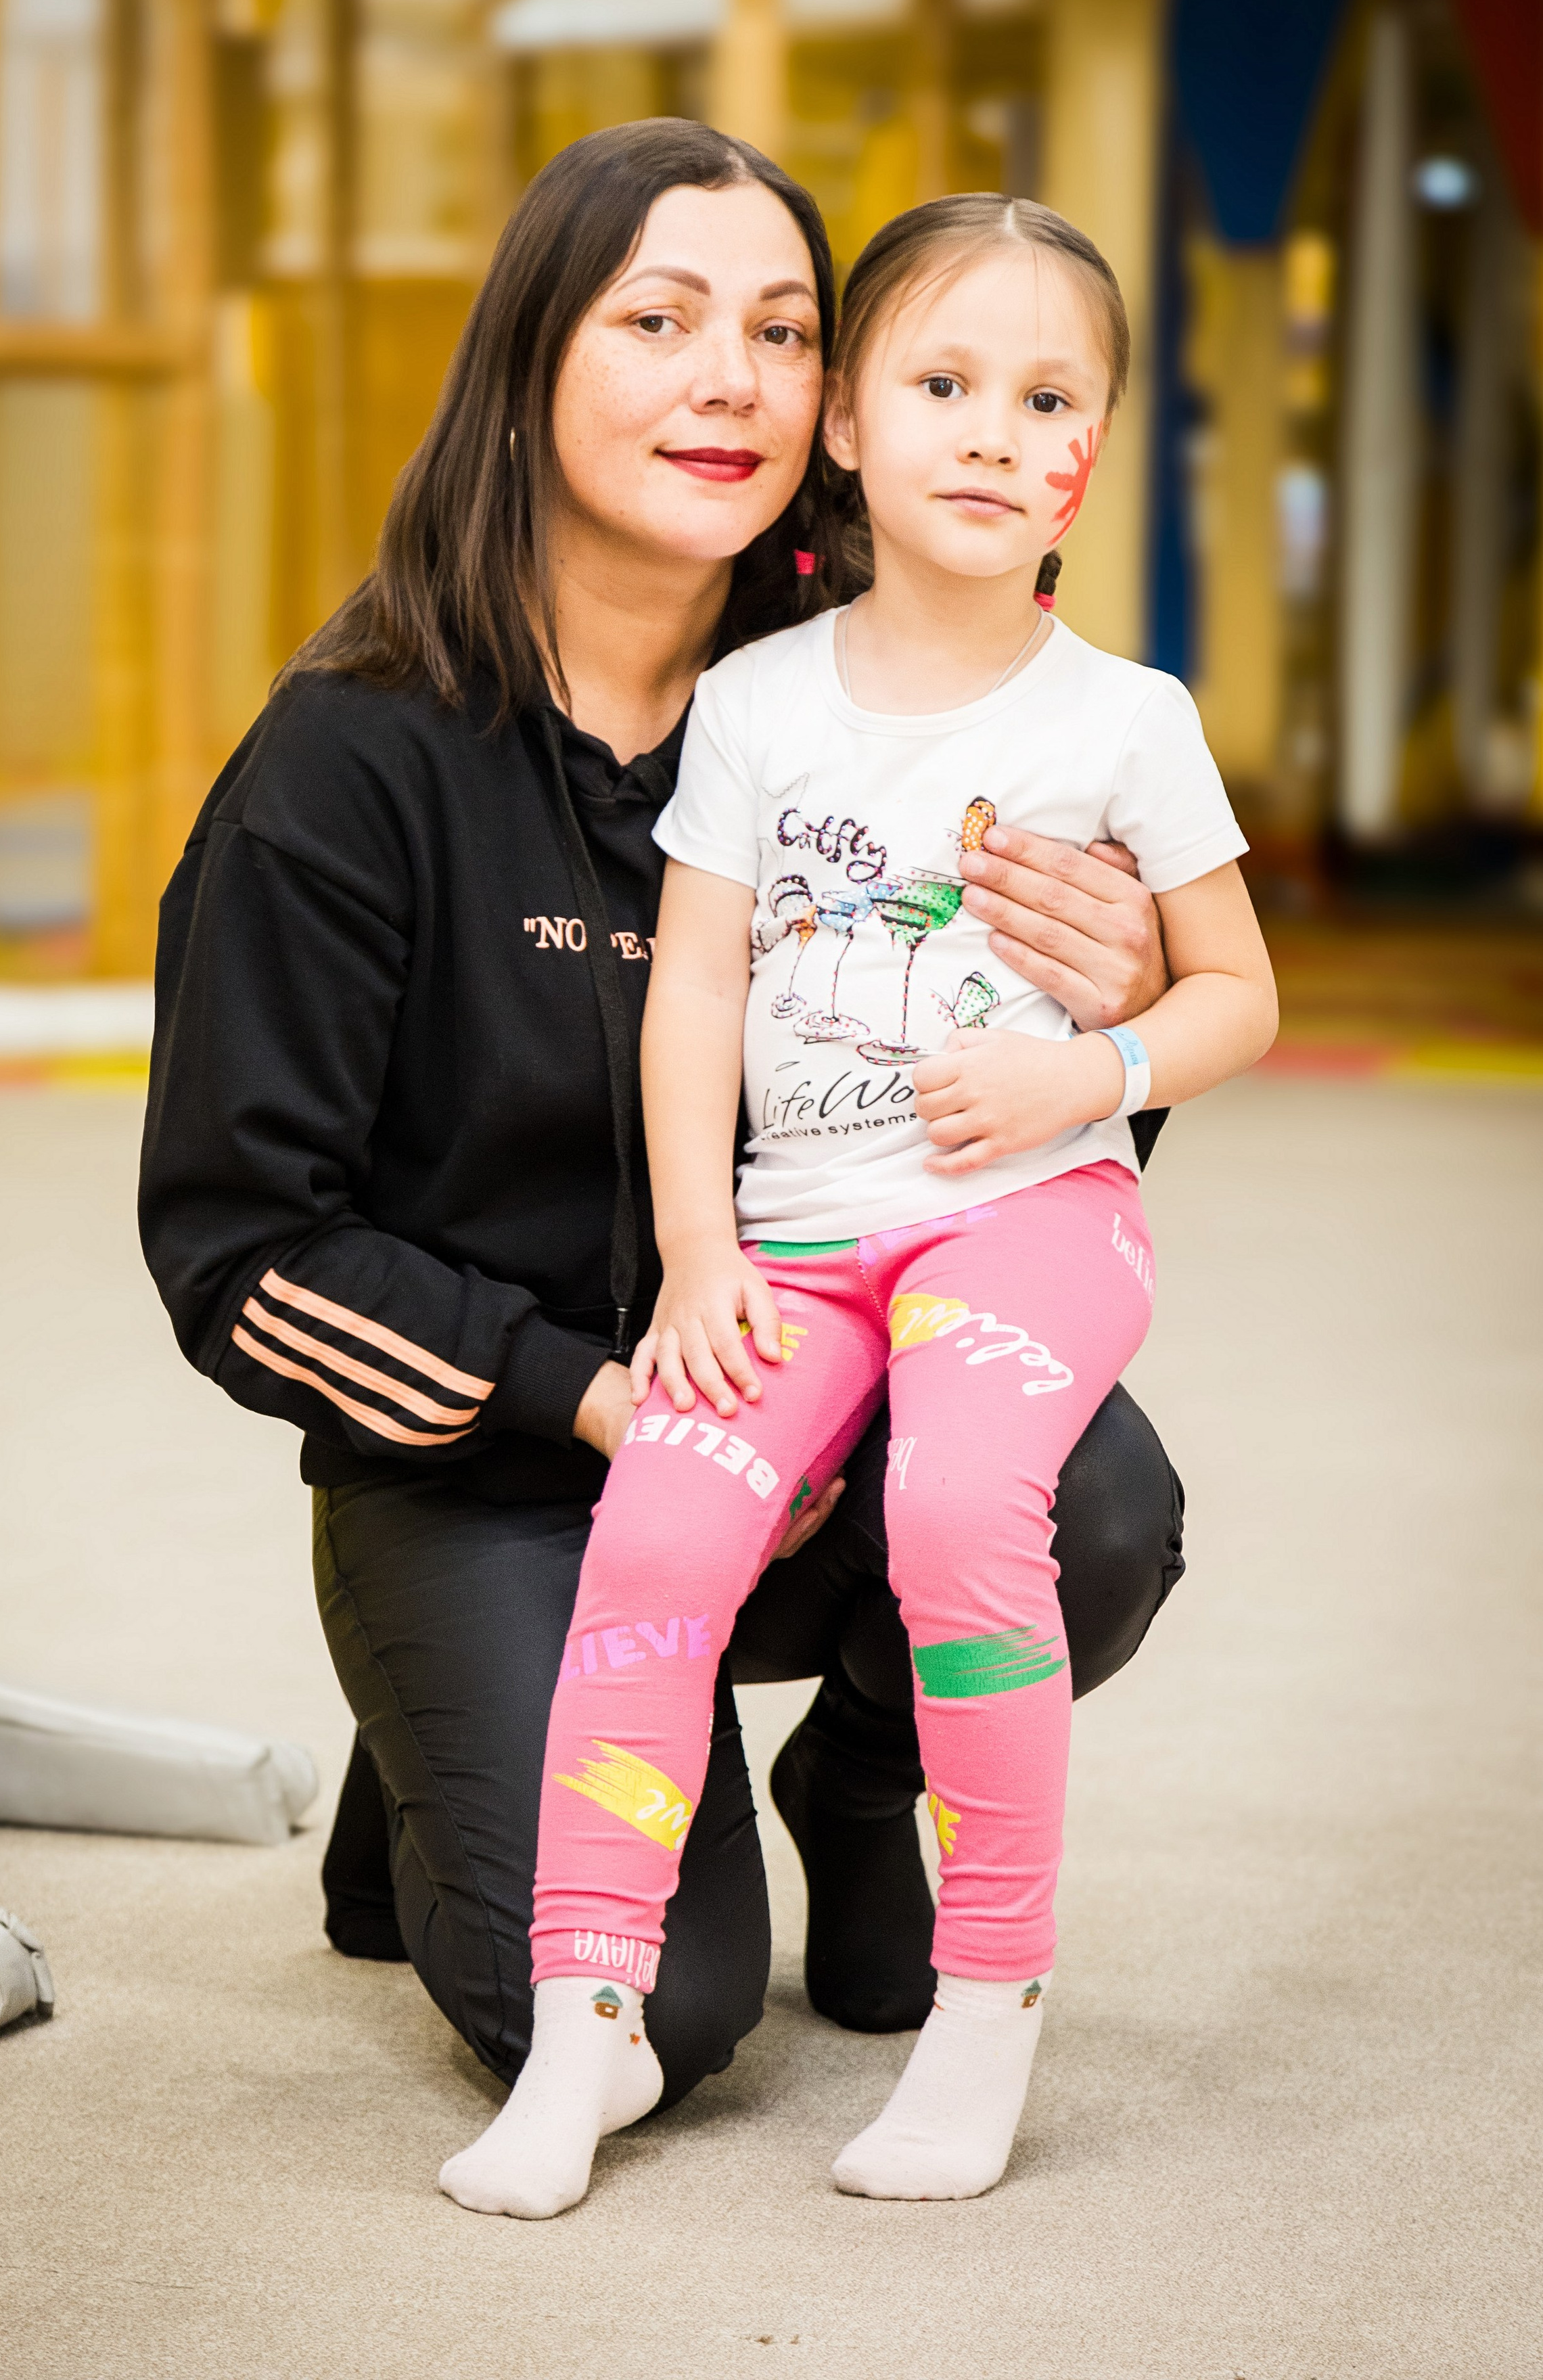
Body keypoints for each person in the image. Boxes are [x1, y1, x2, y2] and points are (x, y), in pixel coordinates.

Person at [137, 125, 1183, 2132]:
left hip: (825, 1357)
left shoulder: (885, 697)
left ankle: (857, 1778)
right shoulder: (353, 762)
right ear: (533, 357)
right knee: (661, 2018)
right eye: (661, 319)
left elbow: (1026, 1145)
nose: (732, 379)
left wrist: (1106, 1008)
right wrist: (597, 1398)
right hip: (510, 1457)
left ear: (842, 399)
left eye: (785, 330)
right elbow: (241, 1257)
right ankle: (441, 1752)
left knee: (1093, 1512)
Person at [439, 191, 1277, 2220]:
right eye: (942, 382)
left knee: (958, 1511)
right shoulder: (761, 703)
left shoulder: (1125, 720)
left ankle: (991, 2003)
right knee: (656, 1537)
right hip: (794, 1238)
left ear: (1095, 448)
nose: (995, 431)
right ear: (848, 431)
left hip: (1032, 1216)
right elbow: (699, 986)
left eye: (1047, 395)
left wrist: (1101, 1068)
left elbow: (1239, 990)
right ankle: (589, 2019)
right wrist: (705, 1250)